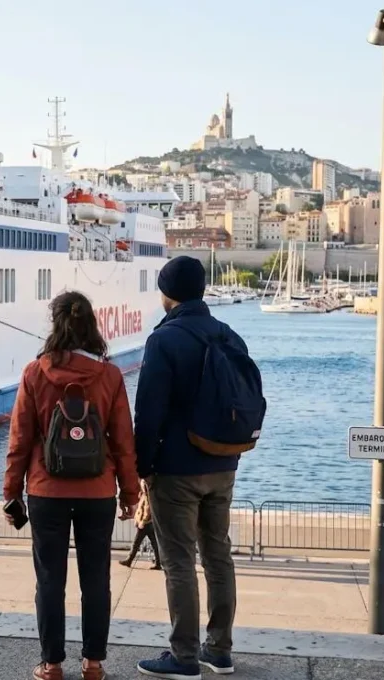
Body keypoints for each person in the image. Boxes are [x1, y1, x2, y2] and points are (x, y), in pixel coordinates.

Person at [4, 291, 140, 680]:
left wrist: (12, 492)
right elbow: (123, 441)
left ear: (56, 324)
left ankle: (51, 665)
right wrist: (130, 494)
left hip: (47, 492)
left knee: (49, 580)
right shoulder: (110, 375)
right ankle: (93, 663)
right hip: (98, 494)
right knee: (96, 579)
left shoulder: (34, 372)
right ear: (91, 324)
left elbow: (19, 439)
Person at [134, 256, 246, 680]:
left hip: (177, 469)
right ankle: (219, 650)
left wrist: (142, 467)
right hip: (224, 462)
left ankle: (183, 656)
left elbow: (148, 414)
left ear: (168, 293)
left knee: (179, 560)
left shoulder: (164, 340)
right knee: (218, 555)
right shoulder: (228, 334)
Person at [119, 482, 160, 570]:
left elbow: (147, 509)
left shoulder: (147, 497)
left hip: (146, 523)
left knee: (136, 542)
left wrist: (143, 521)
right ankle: (158, 563)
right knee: (154, 543)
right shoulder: (145, 495)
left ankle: (129, 560)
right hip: (148, 523)